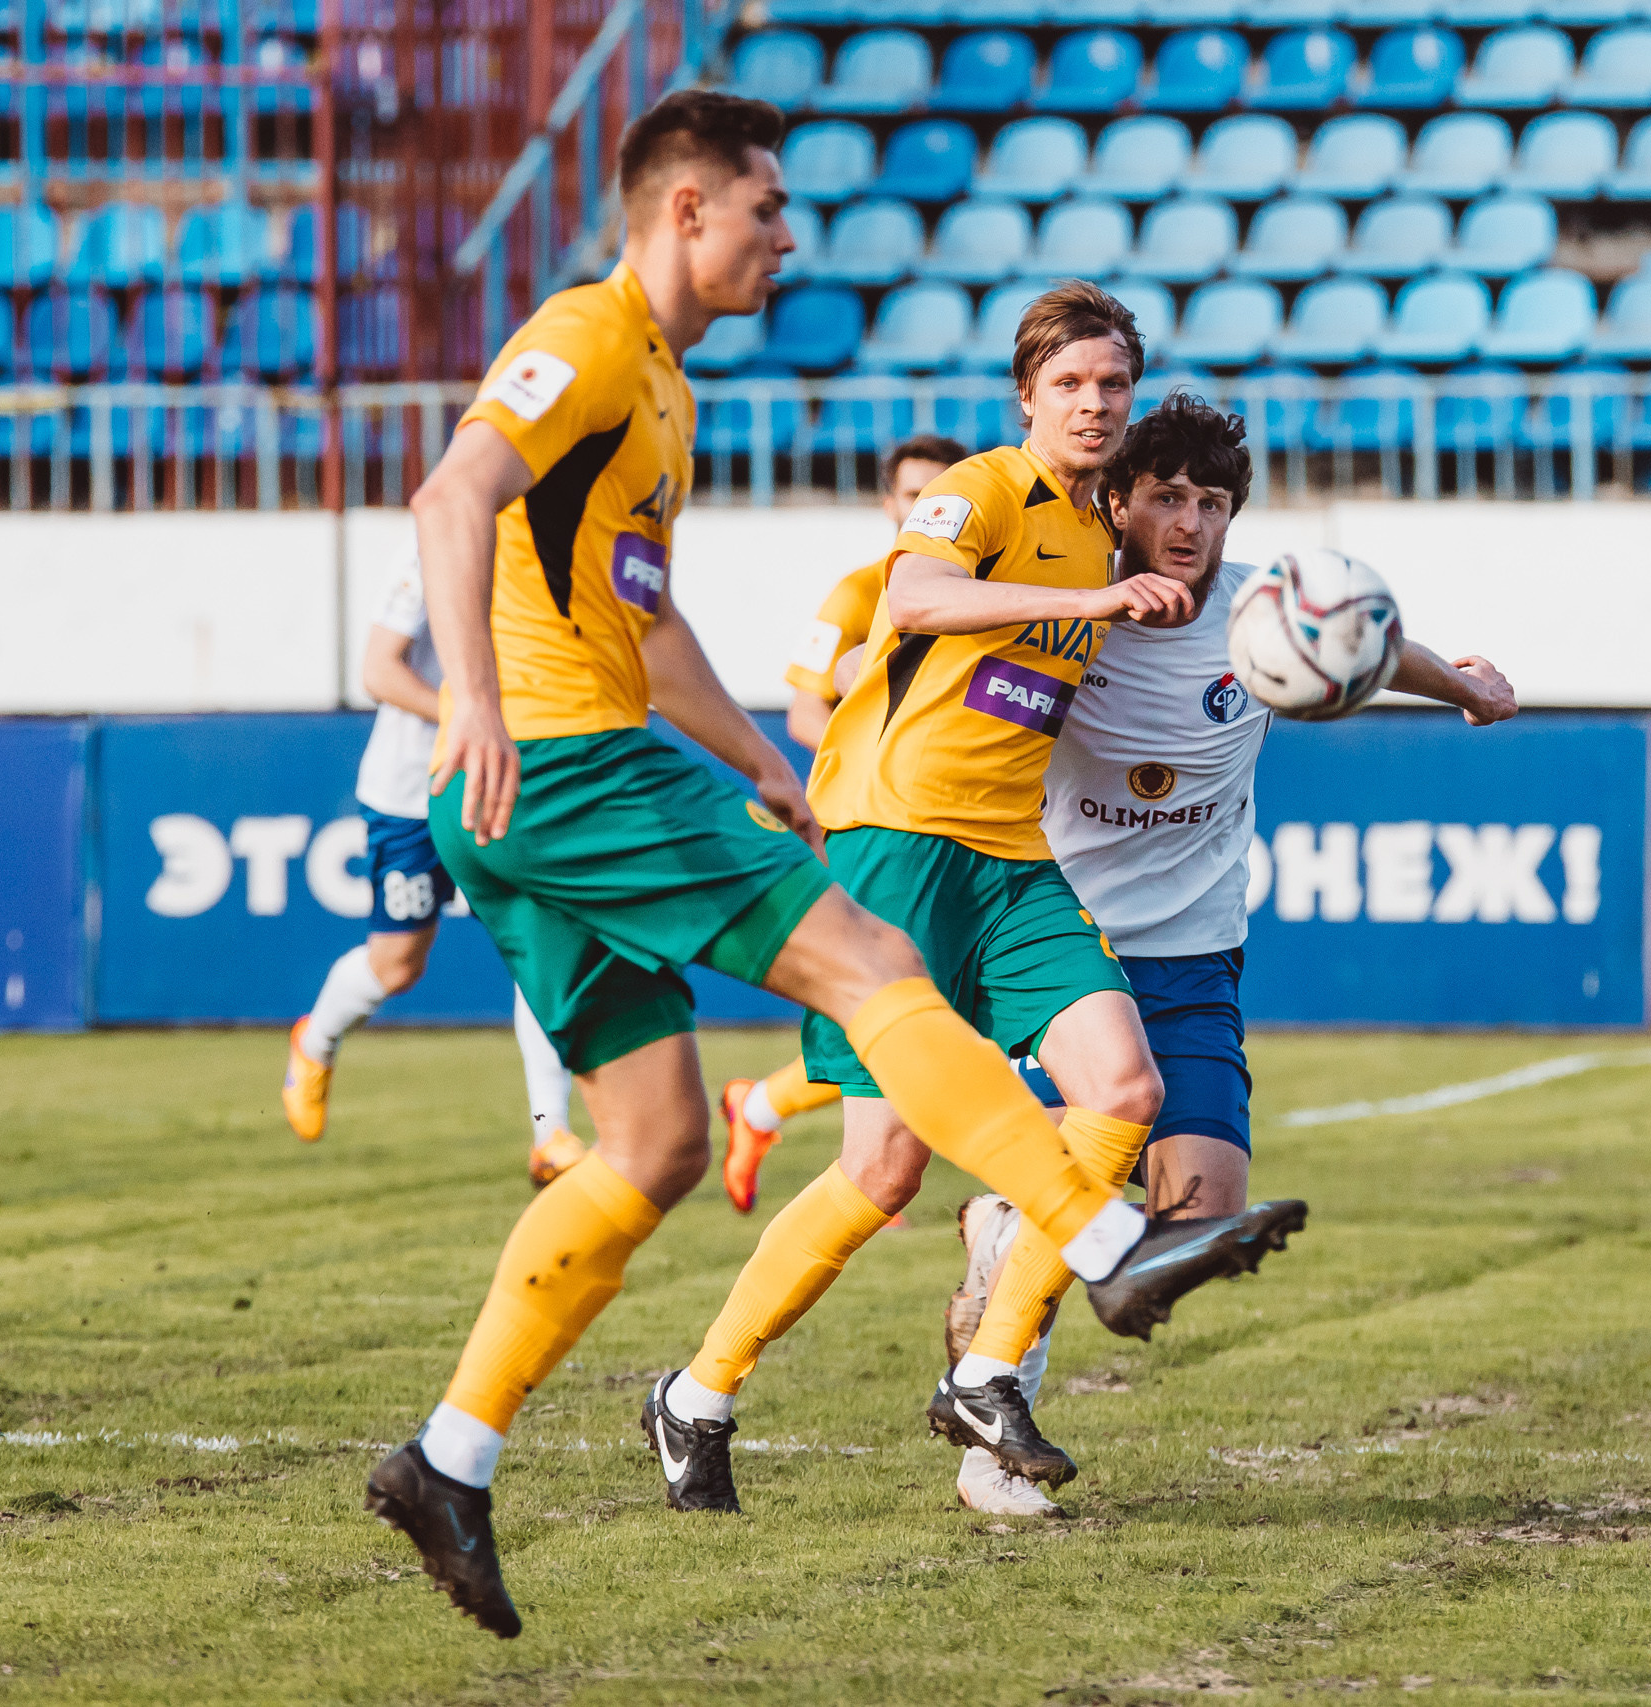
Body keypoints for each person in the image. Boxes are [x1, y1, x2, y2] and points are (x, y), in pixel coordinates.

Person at [366, 93, 1292, 1641]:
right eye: (767, 209)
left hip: (713, 781)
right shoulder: (592, 337)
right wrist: (469, 693)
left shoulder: (666, 392)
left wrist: (752, 756)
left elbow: (646, 619)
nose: (790, 237)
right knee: (874, 994)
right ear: (685, 211)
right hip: (573, 762)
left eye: (1113, 385)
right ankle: (1106, 1242)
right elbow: (451, 493)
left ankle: (450, 1457)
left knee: (653, 1146)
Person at [642, 282, 1308, 1523]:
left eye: (1112, 385)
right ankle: (695, 1394)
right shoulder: (994, 489)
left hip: (1013, 860)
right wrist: (1093, 602)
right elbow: (913, 599)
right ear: (1027, 398)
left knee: (1123, 1090)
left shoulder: (1109, 529)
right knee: (880, 1171)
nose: (1095, 404)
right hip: (897, 846)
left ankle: (992, 1371)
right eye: (1071, 385)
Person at [940, 392, 1520, 1515]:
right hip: (1070, 953)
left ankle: (1007, 1225)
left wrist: (1468, 691)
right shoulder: (1072, 608)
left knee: (1202, 1217)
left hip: (1197, 959)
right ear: (1120, 501)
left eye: (1210, 501)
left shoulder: (1262, 605)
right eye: (1166, 496)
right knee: (1083, 1208)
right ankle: (989, 1436)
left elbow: (1369, 644)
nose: (1190, 520)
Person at [716, 432, 968, 1214]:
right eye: (911, 493)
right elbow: (803, 710)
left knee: (921, 1008)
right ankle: (860, 1156)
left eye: (939, 495)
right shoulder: (861, 593)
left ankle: (762, 1108)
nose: (922, 506)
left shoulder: (983, 589)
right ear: (887, 503)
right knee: (895, 1005)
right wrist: (882, 756)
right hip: (874, 821)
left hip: (956, 821)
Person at [279, 552, 586, 1189]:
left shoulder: (555, 557)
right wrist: (466, 717)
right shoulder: (432, 562)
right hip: (410, 794)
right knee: (398, 965)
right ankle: (316, 1041)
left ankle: (550, 1132)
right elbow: (378, 671)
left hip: (496, 787)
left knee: (537, 946)